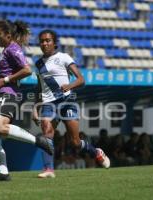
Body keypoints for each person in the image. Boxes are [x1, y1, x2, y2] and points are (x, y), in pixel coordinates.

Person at [33, 29, 110, 178]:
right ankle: (48, 169)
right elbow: (39, 87)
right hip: (48, 103)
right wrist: (35, 108)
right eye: (42, 41)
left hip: (67, 101)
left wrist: (69, 86)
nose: (44, 43)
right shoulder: (38, 63)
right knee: (47, 134)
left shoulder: (63, 57)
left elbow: (81, 79)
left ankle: (96, 152)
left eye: (48, 40)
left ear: (54, 43)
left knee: (75, 142)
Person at [0, 20, 54, 181]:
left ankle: (38, 141)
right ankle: (4, 174)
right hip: (4, 93)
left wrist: (5, 80)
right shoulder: (7, 49)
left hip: (9, 94)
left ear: (8, 35)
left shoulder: (13, 48)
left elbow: (27, 70)